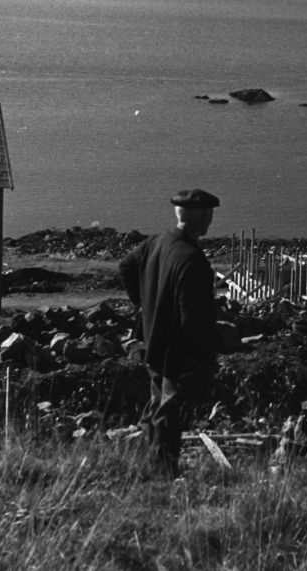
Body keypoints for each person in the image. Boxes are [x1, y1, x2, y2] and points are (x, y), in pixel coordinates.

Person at [119, 188, 221, 477]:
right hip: (176, 352)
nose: (210, 220)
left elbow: (126, 266)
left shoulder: (158, 241)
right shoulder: (192, 260)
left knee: (156, 405)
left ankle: (150, 464)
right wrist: (204, 354)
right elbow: (193, 319)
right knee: (169, 413)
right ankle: (163, 473)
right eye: (209, 215)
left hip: (153, 340)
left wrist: (144, 304)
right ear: (202, 216)